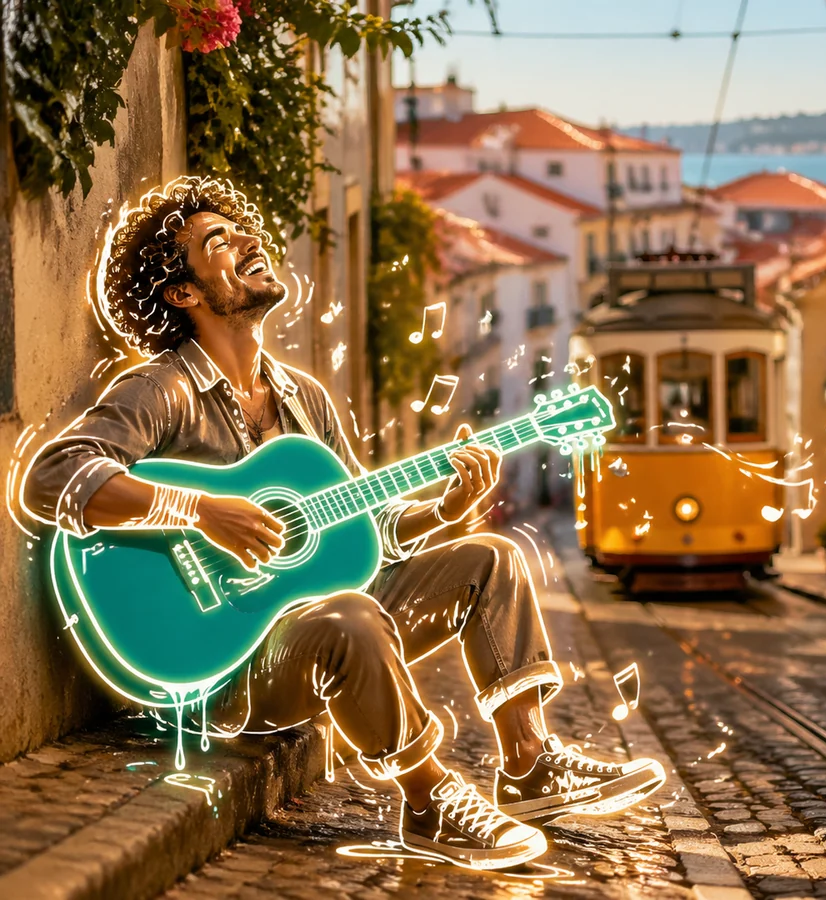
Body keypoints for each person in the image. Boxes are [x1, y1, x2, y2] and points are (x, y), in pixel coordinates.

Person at [21, 176, 664, 871]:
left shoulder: (305, 401)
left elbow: (365, 531)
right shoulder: (161, 389)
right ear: (184, 294)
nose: (245, 240)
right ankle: (427, 804)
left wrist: (443, 511)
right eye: (217, 241)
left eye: (240, 229)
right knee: (352, 615)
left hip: (319, 630)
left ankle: (529, 764)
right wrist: (201, 510)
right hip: (226, 667)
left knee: (493, 559)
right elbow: (50, 478)